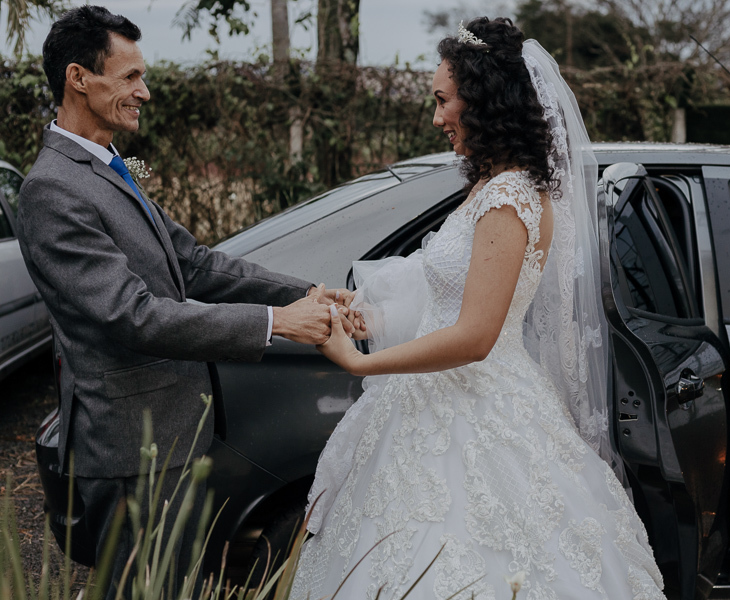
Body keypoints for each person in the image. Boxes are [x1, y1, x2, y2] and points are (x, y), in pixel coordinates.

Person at [290, 17, 665, 600]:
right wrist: (365, 306)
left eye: (443, 101)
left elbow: (476, 335)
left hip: (480, 407)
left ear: (485, 102)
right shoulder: (487, 189)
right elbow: (445, 288)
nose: (436, 117)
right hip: (431, 401)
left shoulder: (510, 197)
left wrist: (359, 362)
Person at [16, 5, 353, 598]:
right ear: (77, 78)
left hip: (172, 438)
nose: (144, 91)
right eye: (129, 78)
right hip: (129, 454)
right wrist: (279, 323)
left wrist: (303, 292)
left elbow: (193, 264)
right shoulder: (52, 190)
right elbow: (130, 314)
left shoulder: (106, 166)